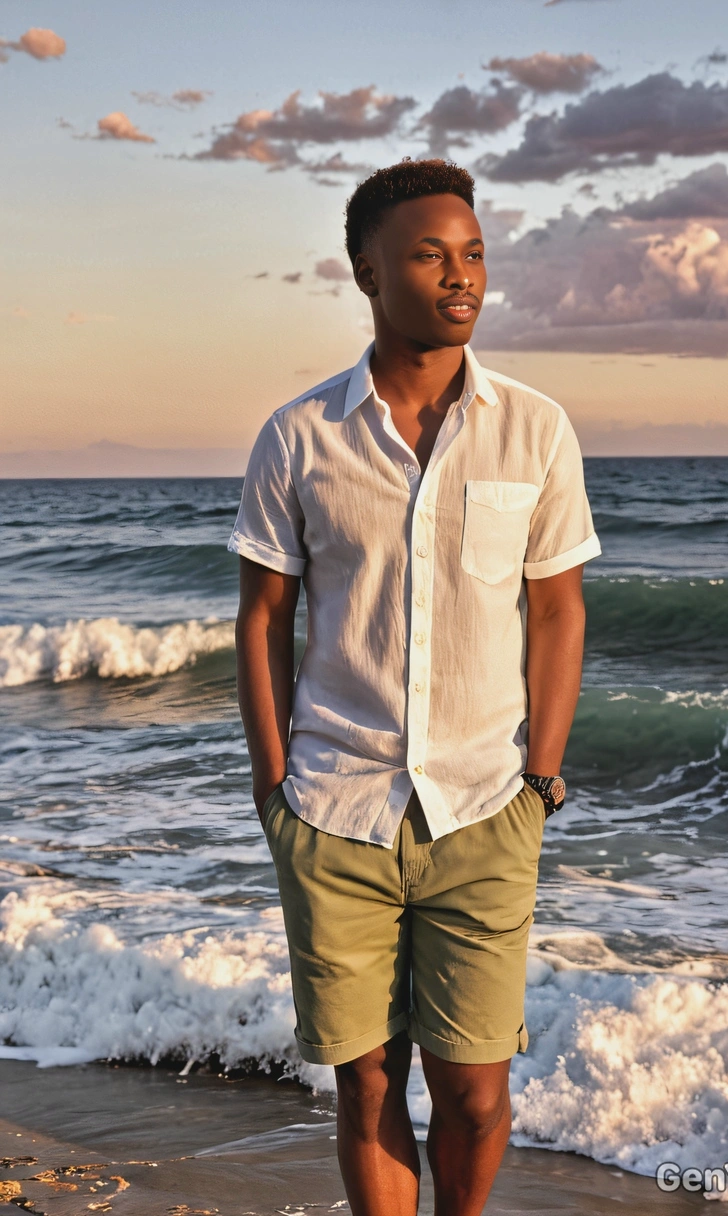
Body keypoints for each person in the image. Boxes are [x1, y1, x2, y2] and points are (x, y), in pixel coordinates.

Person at [229, 158, 601, 1216]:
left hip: (485, 809)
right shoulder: (299, 436)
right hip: (335, 807)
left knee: (476, 1092)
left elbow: (558, 608)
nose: (461, 275)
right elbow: (262, 619)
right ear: (367, 271)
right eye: (431, 253)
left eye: (474, 253)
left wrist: (541, 774)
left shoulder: (534, 429)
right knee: (369, 1081)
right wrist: (274, 794)